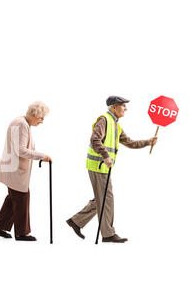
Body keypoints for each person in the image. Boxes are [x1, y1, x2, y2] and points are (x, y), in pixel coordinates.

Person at [66, 96, 158, 243]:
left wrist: (148, 142)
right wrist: (105, 156)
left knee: (102, 198)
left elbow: (129, 142)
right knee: (107, 199)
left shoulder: (115, 124)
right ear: (113, 107)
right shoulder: (104, 120)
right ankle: (108, 234)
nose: (126, 109)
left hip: (103, 167)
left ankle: (76, 221)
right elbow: (94, 139)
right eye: (123, 106)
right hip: (98, 166)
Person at [0, 101, 52, 242]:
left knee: (13, 198)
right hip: (14, 169)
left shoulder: (22, 123)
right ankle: (22, 233)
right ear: (34, 114)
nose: (42, 121)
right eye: (41, 118)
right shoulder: (21, 124)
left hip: (13, 168)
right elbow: (21, 150)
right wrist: (41, 156)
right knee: (21, 198)